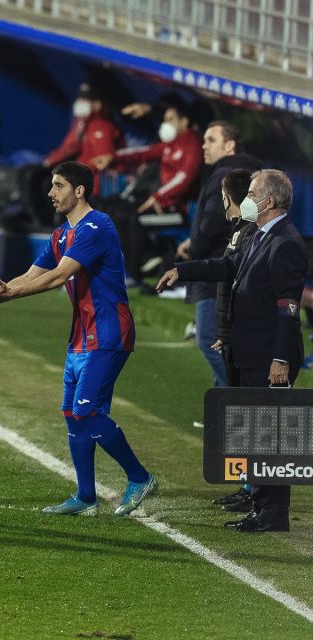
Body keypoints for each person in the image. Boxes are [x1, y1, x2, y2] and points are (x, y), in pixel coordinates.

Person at [0, 161, 157, 517]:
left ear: (79, 191)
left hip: (108, 332)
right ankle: (86, 497)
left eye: (58, 186)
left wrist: (7, 296)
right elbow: (30, 275)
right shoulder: (61, 235)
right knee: (72, 414)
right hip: (81, 336)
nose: (50, 193)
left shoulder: (97, 226)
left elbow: (56, 278)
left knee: (86, 410)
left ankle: (140, 478)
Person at [157, 169, 307, 532]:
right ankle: (260, 506)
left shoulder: (285, 242)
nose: (246, 200)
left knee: (268, 436)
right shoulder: (260, 235)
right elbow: (228, 266)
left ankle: (272, 513)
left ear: (268, 201)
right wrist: (183, 270)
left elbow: (287, 310)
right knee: (257, 434)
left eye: (252, 193)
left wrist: (280, 359)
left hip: (268, 356)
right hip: (249, 351)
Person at [177, 122, 262, 417]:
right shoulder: (257, 173)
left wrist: (194, 249)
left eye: (211, 140)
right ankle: (227, 407)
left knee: (209, 338)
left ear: (230, 146)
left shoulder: (223, 176)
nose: (204, 145)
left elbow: (213, 222)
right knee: (224, 340)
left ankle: (237, 406)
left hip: (216, 269)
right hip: (242, 267)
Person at [95, 101, 202, 285]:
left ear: (184, 122)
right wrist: (113, 157)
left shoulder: (193, 146)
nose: (165, 123)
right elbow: (142, 153)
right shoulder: (170, 145)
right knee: (118, 213)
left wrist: (158, 197)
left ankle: (134, 274)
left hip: (177, 213)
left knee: (137, 219)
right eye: (164, 119)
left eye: (170, 119)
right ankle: (122, 268)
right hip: (161, 206)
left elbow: (183, 178)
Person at [209, 168, 256, 512]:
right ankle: (246, 485)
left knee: (247, 413)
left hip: (245, 338)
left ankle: (254, 488)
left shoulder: (250, 235)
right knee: (239, 413)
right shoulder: (241, 232)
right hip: (234, 334)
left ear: (227, 198)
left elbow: (233, 286)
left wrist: (227, 332)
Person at [43, 82, 122, 196]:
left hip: (93, 189)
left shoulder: (102, 127)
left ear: (97, 104)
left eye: (86, 100)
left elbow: (103, 161)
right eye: (80, 98)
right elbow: (69, 147)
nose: (80, 103)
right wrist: (49, 162)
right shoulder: (81, 123)